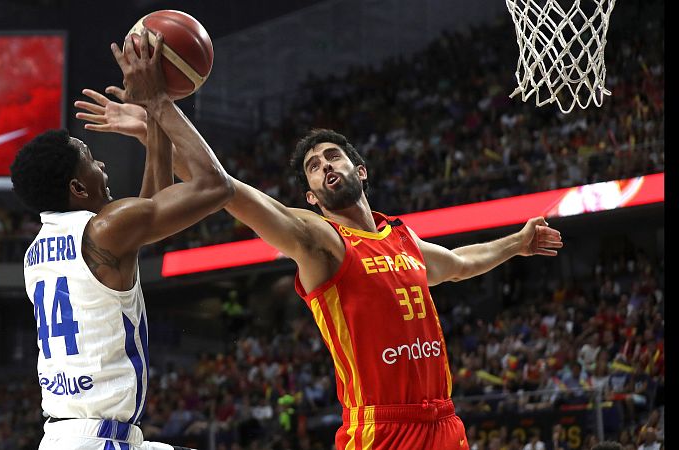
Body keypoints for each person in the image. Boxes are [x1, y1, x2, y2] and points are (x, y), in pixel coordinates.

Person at [77, 107, 563, 450]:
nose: (325, 164)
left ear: (360, 171)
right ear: (311, 196)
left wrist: (516, 244)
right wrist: (156, 129)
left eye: (332, 156)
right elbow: (229, 190)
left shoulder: (402, 239)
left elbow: (458, 262)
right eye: (313, 167)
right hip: (381, 431)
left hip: (444, 421)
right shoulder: (321, 240)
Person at [10, 29, 232, 450]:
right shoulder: (104, 229)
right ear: (78, 188)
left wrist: (151, 124)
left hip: (67, 435)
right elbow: (215, 186)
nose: (103, 166)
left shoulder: (38, 252)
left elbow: (151, 206)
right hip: (100, 440)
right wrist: (159, 101)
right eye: (92, 160)